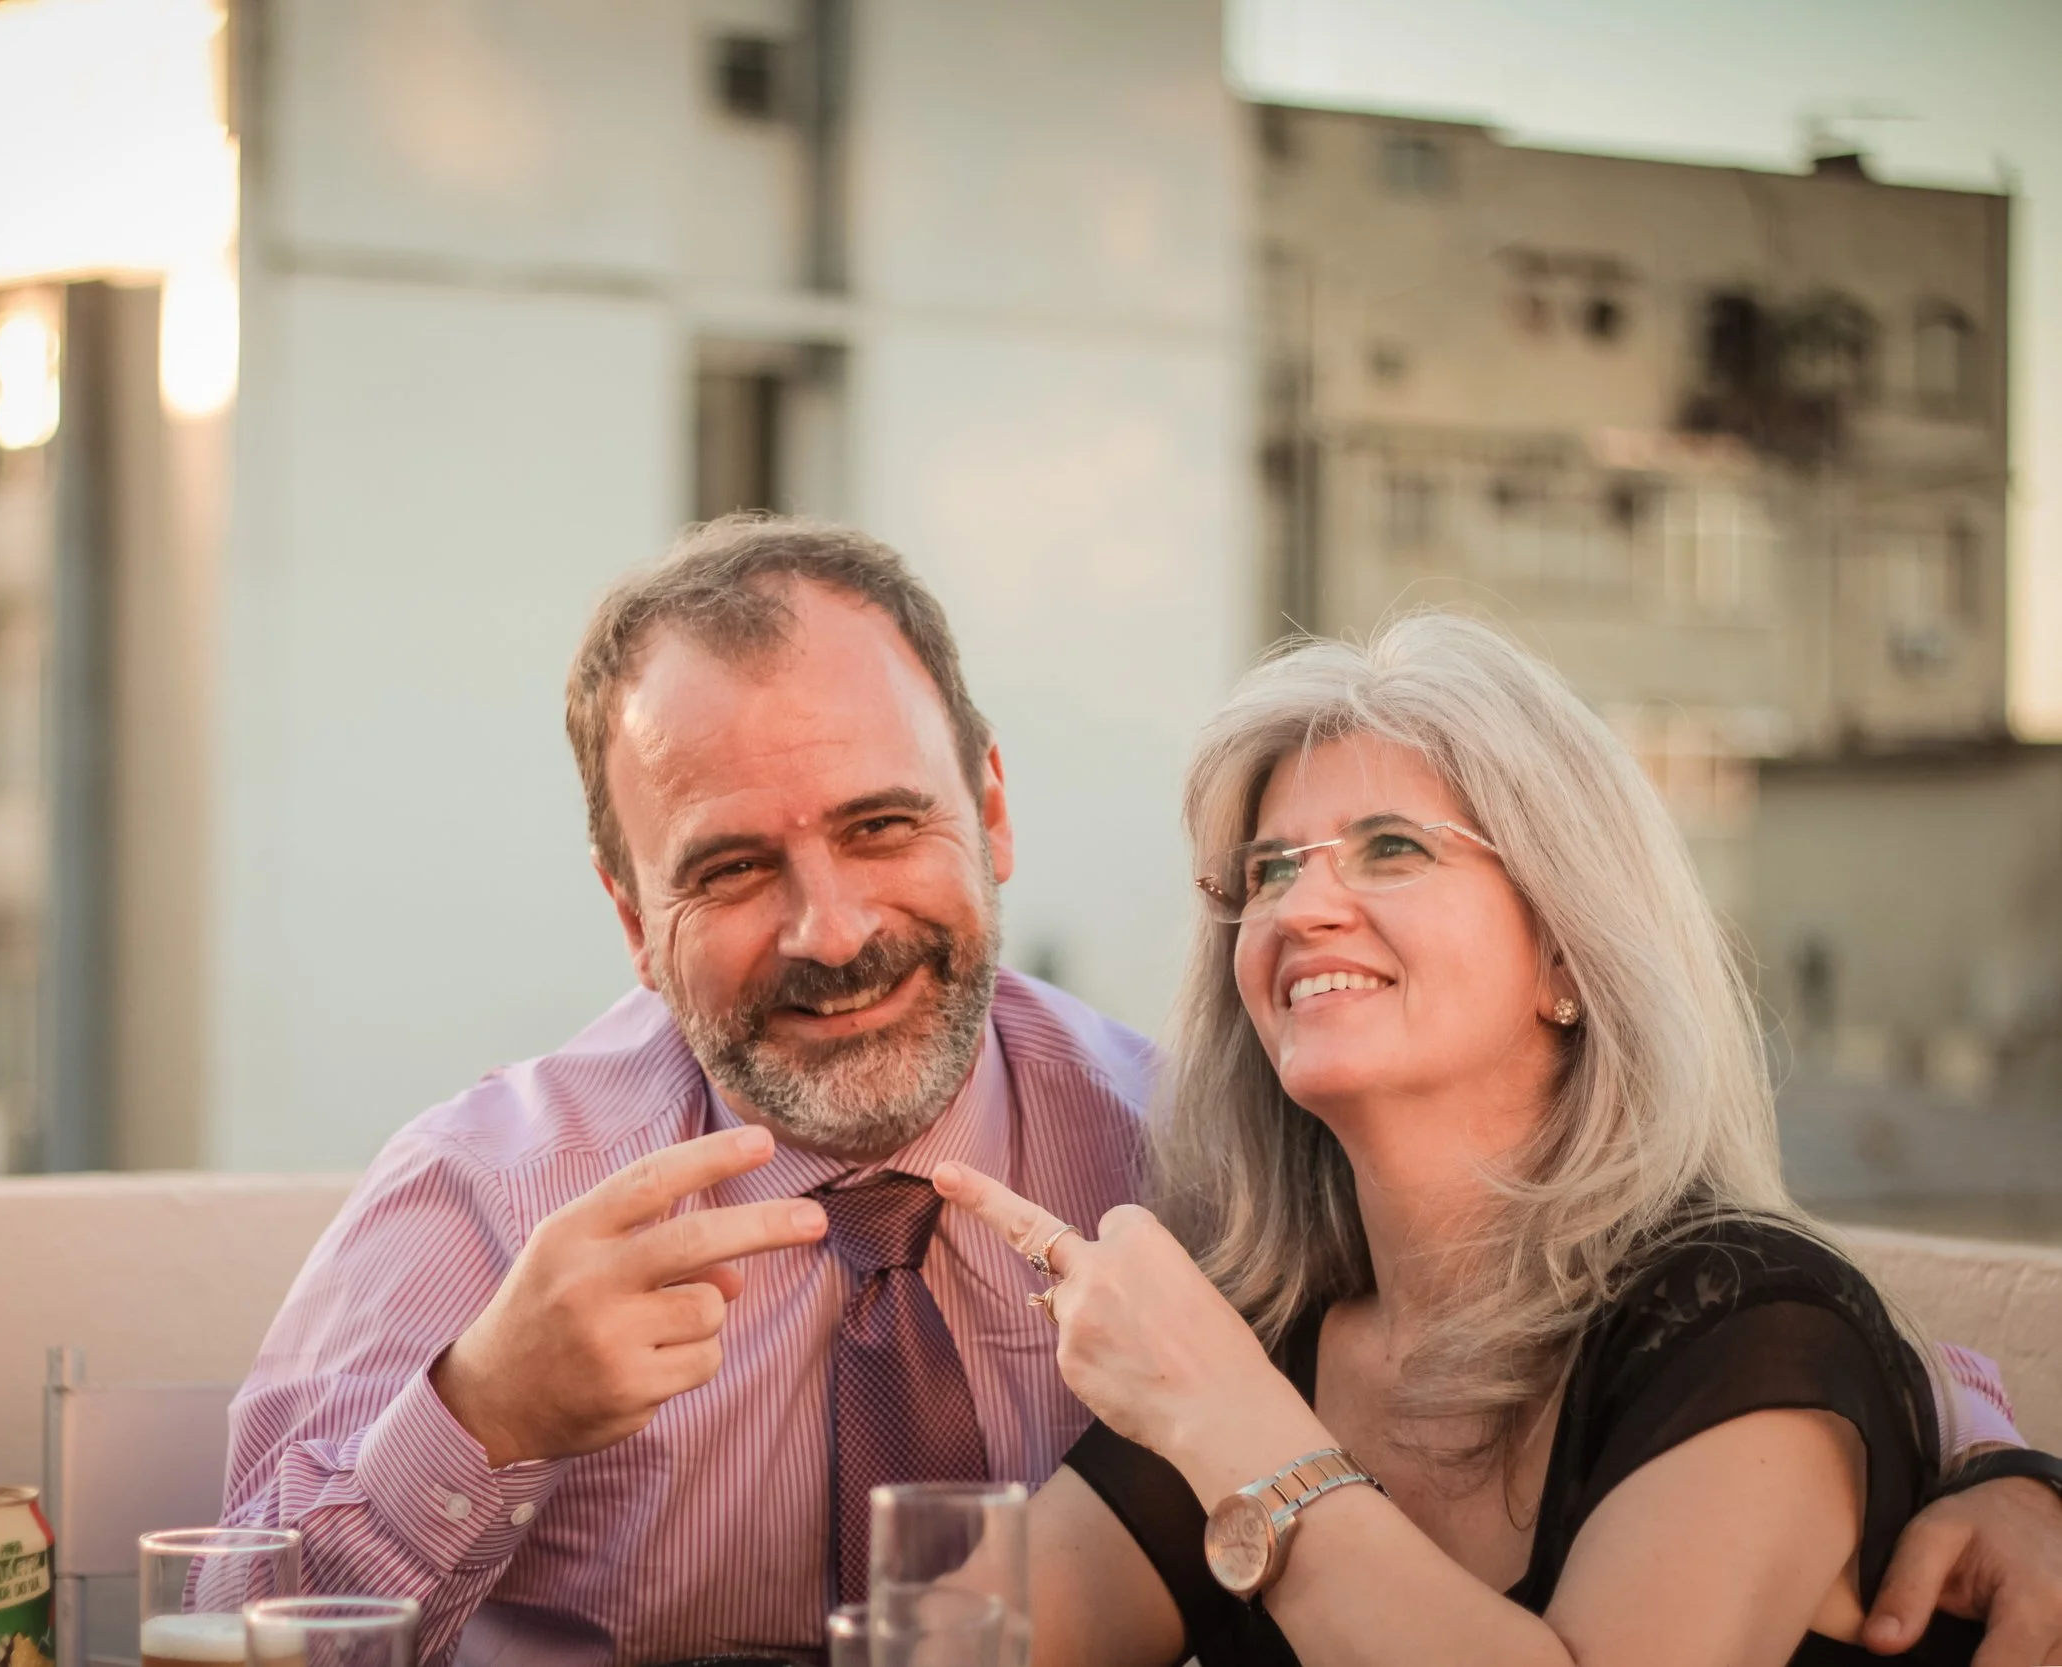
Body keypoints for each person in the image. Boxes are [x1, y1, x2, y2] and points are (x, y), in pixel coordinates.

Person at [220, 518, 2059, 1667]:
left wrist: (1994, 1461)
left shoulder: (1176, 1186)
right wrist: (486, 1413)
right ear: (632, 913)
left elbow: (1764, 1336)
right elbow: (214, 1630)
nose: (833, 924)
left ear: (995, 815)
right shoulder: (483, 1194)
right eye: (729, 868)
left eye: (884, 825)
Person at [935, 612, 2062, 1667]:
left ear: (1566, 955)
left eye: (1389, 847)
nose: (1297, 906)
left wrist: (1227, 1423)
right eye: (1269, 867)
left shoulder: (1748, 1326)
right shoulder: (1279, 1344)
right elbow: (952, 1640)